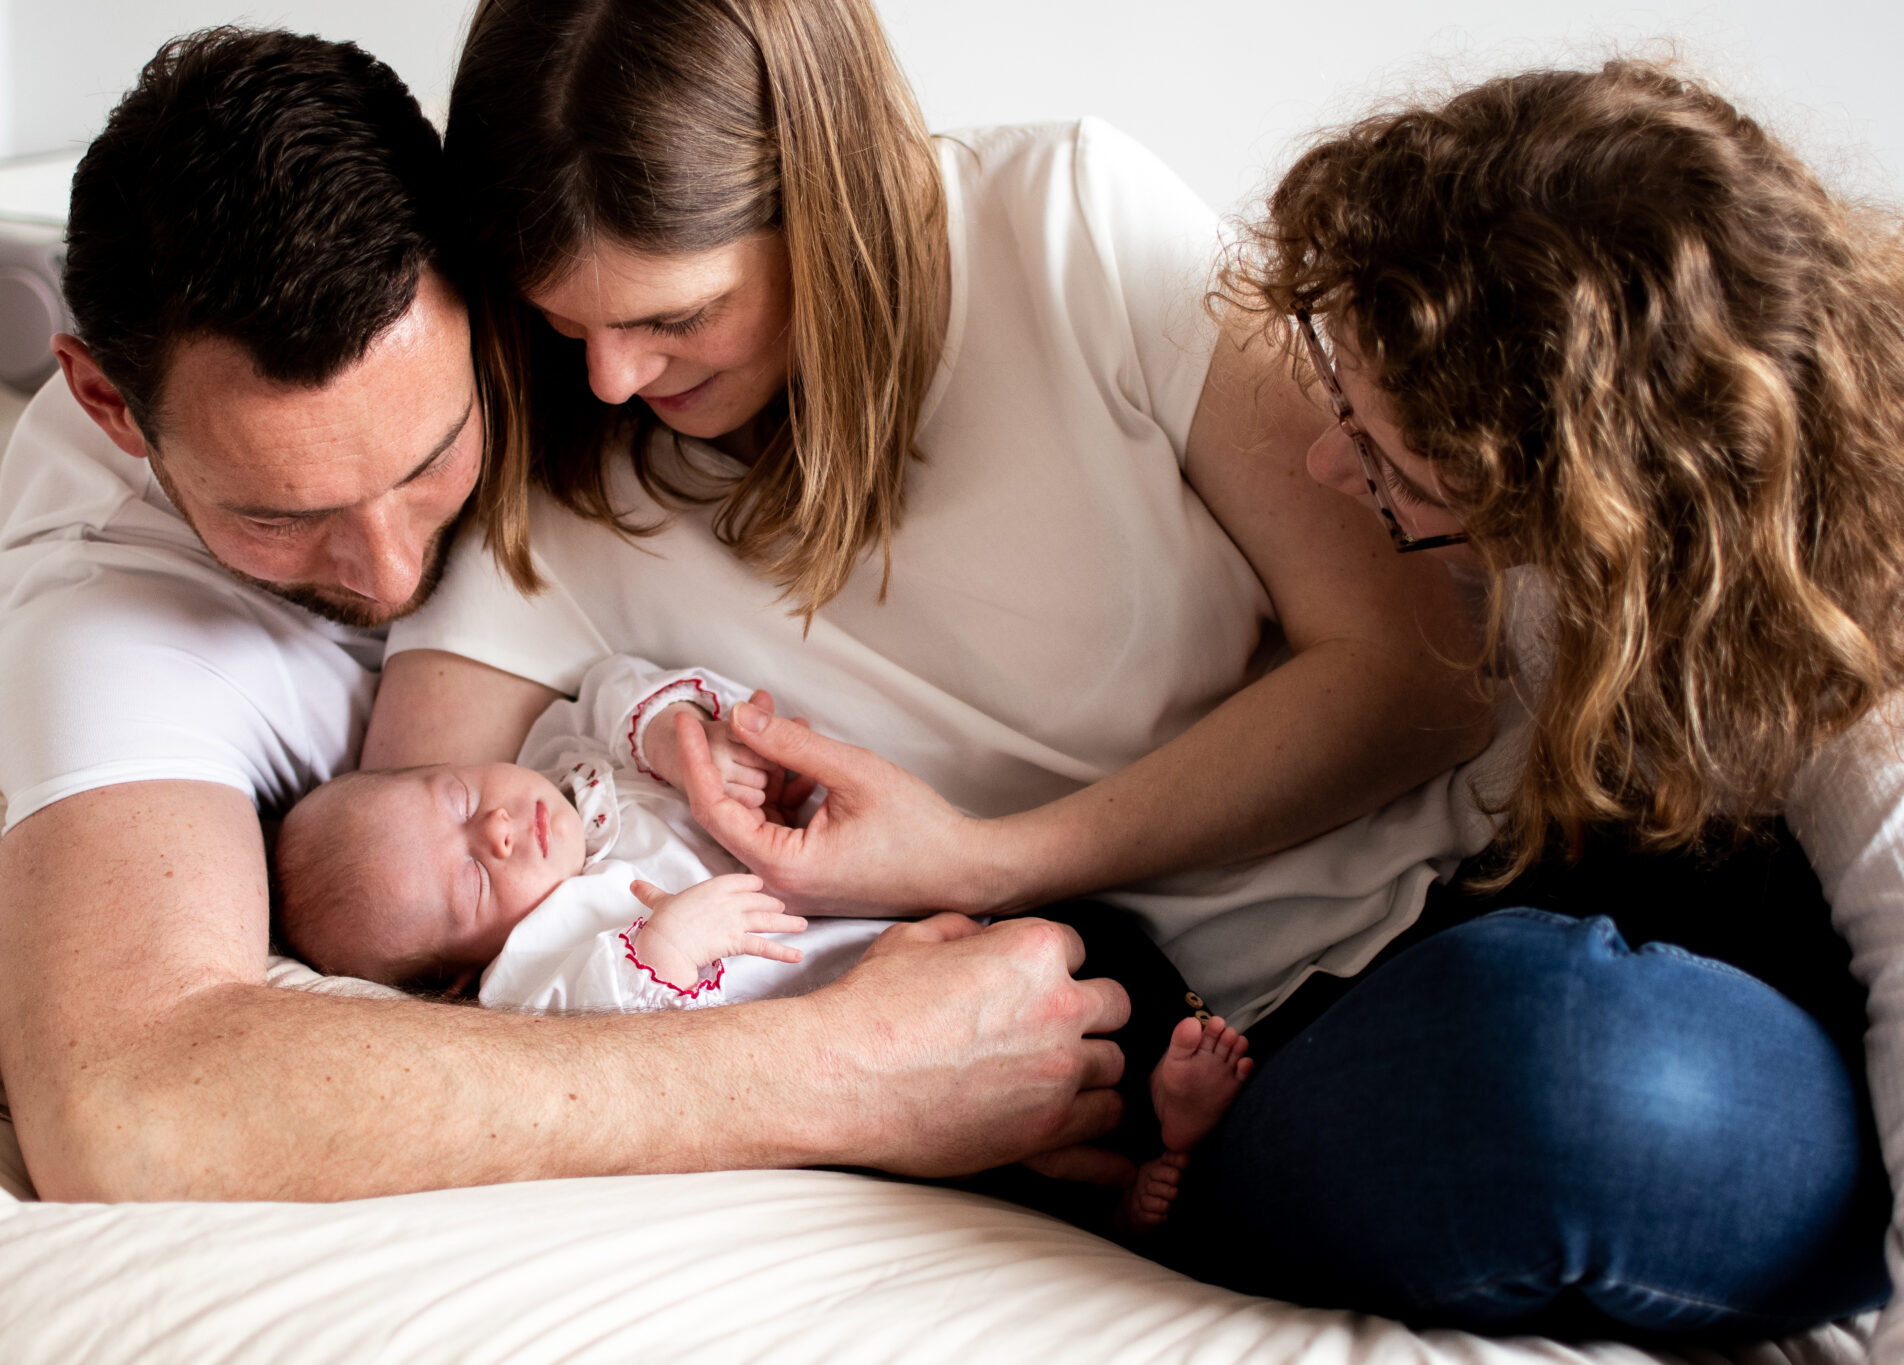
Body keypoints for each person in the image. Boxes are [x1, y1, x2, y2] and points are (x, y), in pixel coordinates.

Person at [0, 25, 1134, 1205]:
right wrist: (853, 1068)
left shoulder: (583, 324)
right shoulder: (106, 630)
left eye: (431, 460)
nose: (388, 570)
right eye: (282, 516)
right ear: (107, 402)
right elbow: (129, 1105)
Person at [370, 1, 1494, 1168]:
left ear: (825, 203)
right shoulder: (548, 495)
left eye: (678, 316)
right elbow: (384, 921)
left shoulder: (1066, 224)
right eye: (563, 323)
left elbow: (1420, 674)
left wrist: (984, 860)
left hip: (1439, 894)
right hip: (1164, 1074)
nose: (609, 378)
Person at [1154, 60, 1898, 1342]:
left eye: (1391, 464)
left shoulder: (1854, 654)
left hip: (1739, 1083)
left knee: (1551, 1043)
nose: (1329, 461)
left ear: (1593, 489)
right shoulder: (1584, 525)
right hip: (1554, 957)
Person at [280, 652, 1253, 1231]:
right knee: (995, 1161)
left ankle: (1169, 1070)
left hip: (929, 935)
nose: (495, 829)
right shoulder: (530, 969)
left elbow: (618, 687)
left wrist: (681, 741)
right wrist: (664, 945)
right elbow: (594, 1029)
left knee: (1092, 940)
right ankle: (1129, 1189)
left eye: (456, 796)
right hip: (888, 1050)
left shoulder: (563, 762)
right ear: (458, 977)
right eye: (469, 879)